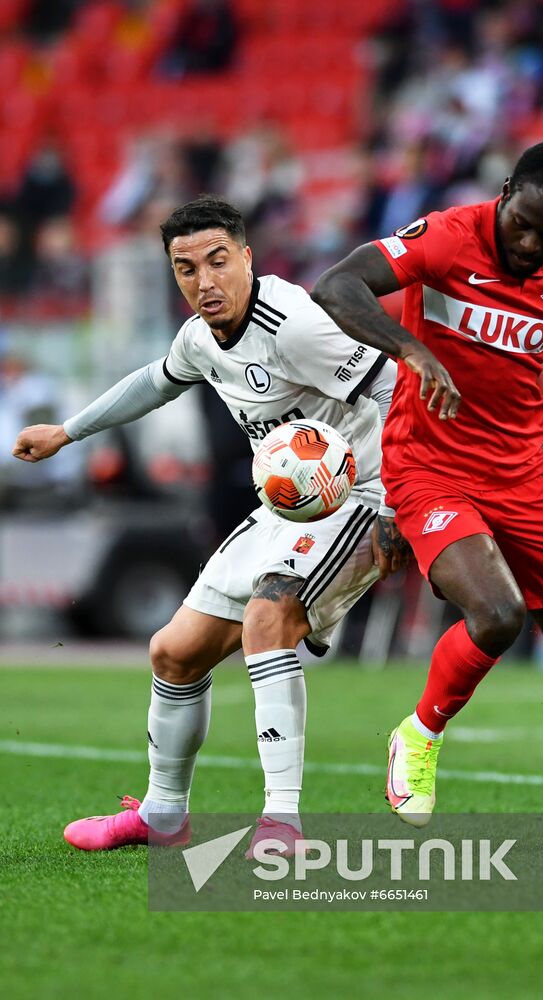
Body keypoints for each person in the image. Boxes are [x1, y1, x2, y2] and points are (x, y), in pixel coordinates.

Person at [13, 195, 407, 857]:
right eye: (185, 267)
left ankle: (282, 822)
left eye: (217, 261)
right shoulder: (200, 336)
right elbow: (157, 380)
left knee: (266, 620)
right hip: (285, 504)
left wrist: (400, 512)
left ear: (247, 258)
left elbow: (396, 386)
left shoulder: (294, 324)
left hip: (360, 497)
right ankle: (162, 816)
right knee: (173, 652)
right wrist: (67, 432)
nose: (204, 280)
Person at [312, 141, 543, 847]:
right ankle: (417, 734)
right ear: (503, 193)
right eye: (522, 222)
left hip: (524, 471)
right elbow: (338, 285)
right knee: (498, 615)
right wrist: (411, 349)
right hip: (429, 464)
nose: (531, 243)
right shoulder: (444, 236)